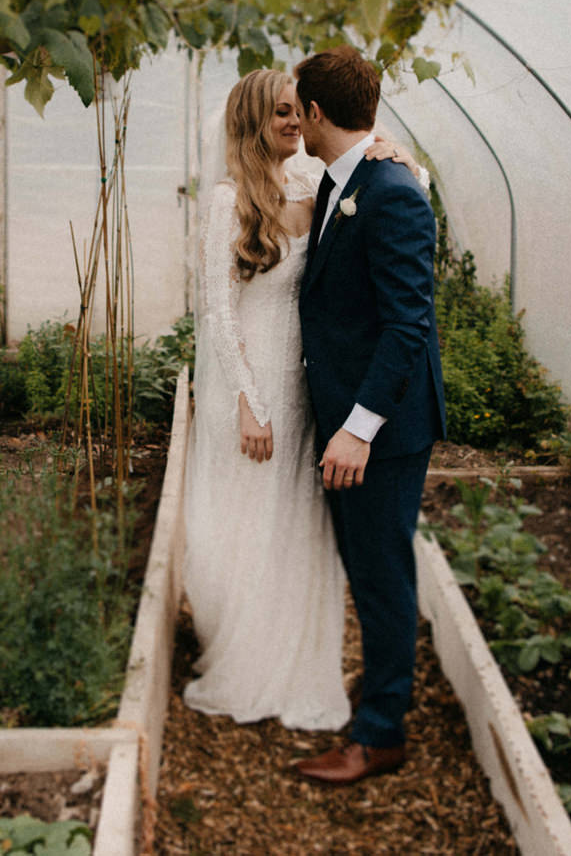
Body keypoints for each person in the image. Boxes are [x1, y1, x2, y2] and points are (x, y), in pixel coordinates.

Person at [182, 68, 422, 731]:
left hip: (310, 382)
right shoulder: (228, 201)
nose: (295, 122)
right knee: (253, 518)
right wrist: (247, 400)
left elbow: (401, 194)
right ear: (252, 119)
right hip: (255, 376)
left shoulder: (316, 184)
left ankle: (299, 660)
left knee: (299, 523)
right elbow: (218, 310)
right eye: (281, 112)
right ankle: (252, 657)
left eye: (298, 112)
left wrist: (393, 147)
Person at [290, 45, 445, 786]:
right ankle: (378, 696)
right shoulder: (343, 183)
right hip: (346, 421)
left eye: (299, 111)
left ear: (316, 112)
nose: (297, 123)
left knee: (383, 576)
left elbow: (408, 325)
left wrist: (358, 427)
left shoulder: (390, 192)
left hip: (380, 434)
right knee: (367, 569)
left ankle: (381, 733)